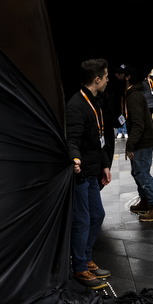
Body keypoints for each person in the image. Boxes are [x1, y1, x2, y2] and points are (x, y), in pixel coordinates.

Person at [66, 59, 112, 290]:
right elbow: (72, 139)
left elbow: (97, 141)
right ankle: (80, 268)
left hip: (93, 170)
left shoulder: (94, 102)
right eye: (105, 77)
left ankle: (86, 258)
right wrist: (75, 158)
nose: (107, 80)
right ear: (97, 79)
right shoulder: (77, 105)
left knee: (97, 216)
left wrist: (104, 164)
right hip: (82, 173)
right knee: (82, 220)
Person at [123, 68, 153, 221]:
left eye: (120, 75)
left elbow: (138, 124)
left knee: (142, 173)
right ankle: (146, 201)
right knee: (137, 172)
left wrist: (130, 145)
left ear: (128, 77)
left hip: (142, 141)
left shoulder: (133, 96)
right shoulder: (132, 94)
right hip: (143, 140)